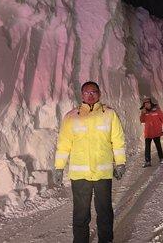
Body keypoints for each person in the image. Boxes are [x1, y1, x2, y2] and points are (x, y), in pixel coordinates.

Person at [53, 81, 126, 243]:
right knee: (80, 213)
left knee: (105, 211)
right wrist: (59, 167)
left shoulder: (109, 114)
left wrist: (120, 162)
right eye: (87, 92)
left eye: (94, 92)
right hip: (80, 175)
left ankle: (105, 240)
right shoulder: (71, 116)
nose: (90, 95)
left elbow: (118, 141)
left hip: (102, 173)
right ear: (82, 95)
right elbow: (63, 144)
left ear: (99, 93)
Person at [139, 97, 163, 167]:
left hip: (156, 132)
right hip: (148, 133)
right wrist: (142, 113)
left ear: (150, 103)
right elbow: (142, 121)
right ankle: (147, 161)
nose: (147, 105)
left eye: (148, 103)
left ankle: (161, 158)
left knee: (158, 146)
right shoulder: (144, 112)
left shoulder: (157, 110)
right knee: (147, 147)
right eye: (145, 104)